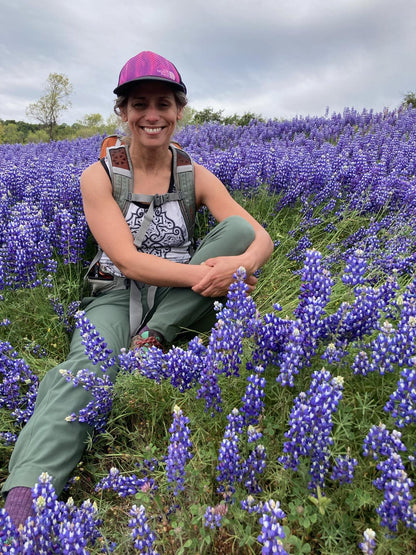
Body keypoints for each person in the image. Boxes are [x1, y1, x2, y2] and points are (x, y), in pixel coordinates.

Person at [2, 51, 273, 527]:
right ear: (123, 112)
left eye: (163, 104)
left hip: (179, 299)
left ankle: (152, 340)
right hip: (115, 294)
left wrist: (242, 263)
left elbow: (259, 233)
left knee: (236, 234)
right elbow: (126, 261)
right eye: (140, 104)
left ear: (178, 111)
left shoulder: (193, 172)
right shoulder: (100, 174)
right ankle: (25, 498)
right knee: (87, 369)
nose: (152, 115)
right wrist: (216, 277)